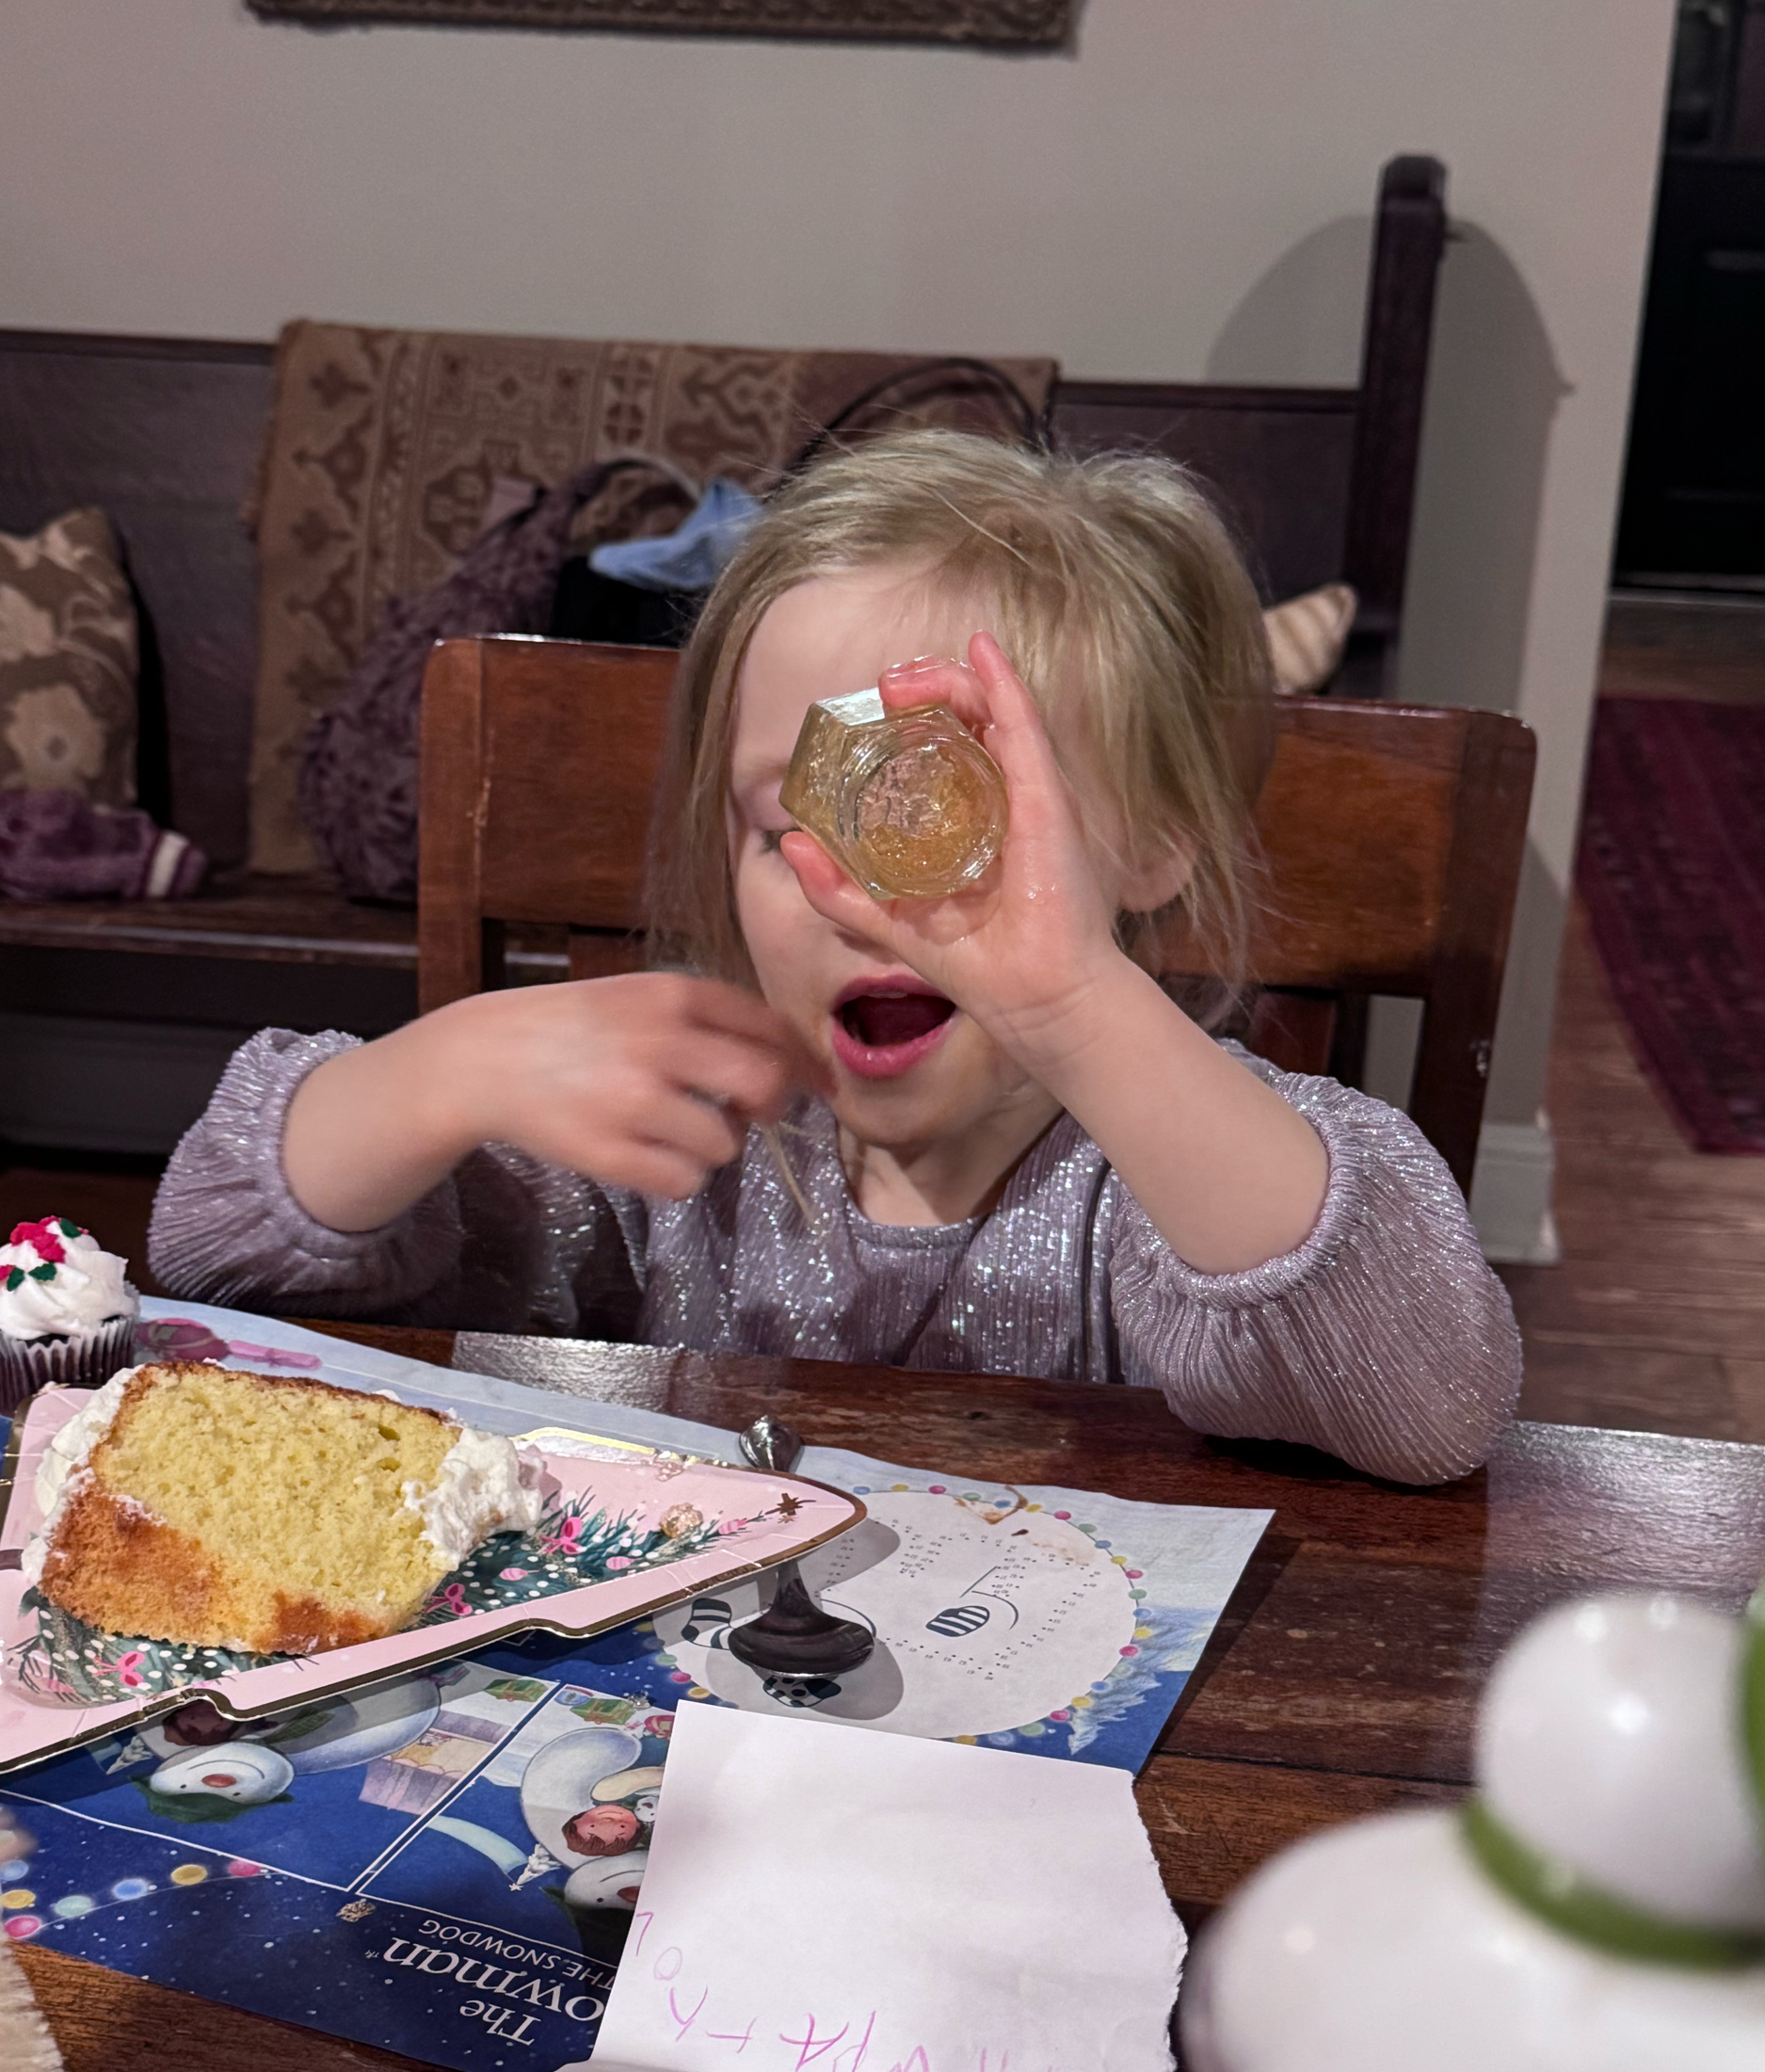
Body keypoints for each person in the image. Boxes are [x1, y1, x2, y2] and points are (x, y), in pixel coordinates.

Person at [149, 432, 1519, 1485]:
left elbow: (1428, 1404)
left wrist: (1068, 998)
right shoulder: (676, 1147)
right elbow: (210, 1260)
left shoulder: (1172, 1181)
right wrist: (436, 1072)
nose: (861, 898)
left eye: (949, 818)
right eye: (787, 829)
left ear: (1154, 844)